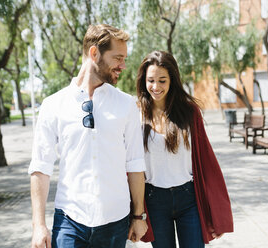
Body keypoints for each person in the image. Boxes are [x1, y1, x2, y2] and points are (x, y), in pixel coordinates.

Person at [29, 24, 148, 248]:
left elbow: (135, 163)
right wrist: (38, 225)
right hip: (69, 221)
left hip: (115, 220)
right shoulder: (53, 105)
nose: (123, 65)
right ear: (94, 53)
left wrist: (138, 216)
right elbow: (40, 167)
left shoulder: (126, 104)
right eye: (117, 58)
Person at [136, 51, 233, 247]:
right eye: (151, 80)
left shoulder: (189, 111)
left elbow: (205, 159)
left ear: (172, 80)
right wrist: (136, 214)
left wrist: (217, 213)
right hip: (155, 201)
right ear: (143, 81)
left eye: (162, 80)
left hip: (189, 199)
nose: (156, 87)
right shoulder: (136, 112)